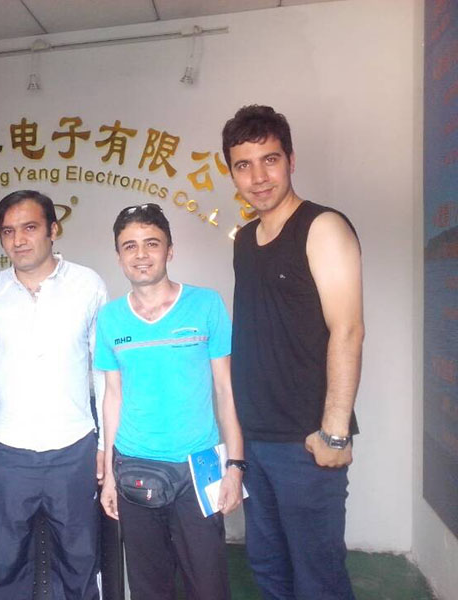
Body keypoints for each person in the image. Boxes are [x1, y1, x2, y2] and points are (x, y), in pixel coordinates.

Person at [223, 105, 364, 599]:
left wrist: (334, 432)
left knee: (318, 578)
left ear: (291, 160)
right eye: (244, 165)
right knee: (268, 568)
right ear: (232, 172)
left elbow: (348, 329)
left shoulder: (322, 227)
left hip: (307, 441)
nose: (258, 177)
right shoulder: (244, 240)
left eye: (270, 159)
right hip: (257, 438)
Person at [96, 203, 244, 600]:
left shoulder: (206, 304)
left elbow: (226, 390)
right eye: (129, 246)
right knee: (149, 587)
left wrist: (235, 467)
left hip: (201, 465)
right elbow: (113, 396)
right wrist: (109, 476)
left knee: (209, 586)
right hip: (135, 465)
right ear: (119, 256)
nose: (141, 254)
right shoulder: (110, 318)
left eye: (152, 243)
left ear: (170, 250)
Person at [0, 190, 107, 600]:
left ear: (53, 229)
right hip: (7, 449)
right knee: (7, 563)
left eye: (29, 228)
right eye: (8, 231)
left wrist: (104, 443)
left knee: (80, 559)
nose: (19, 240)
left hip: (74, 446)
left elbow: (103, 374)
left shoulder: (87, 285)